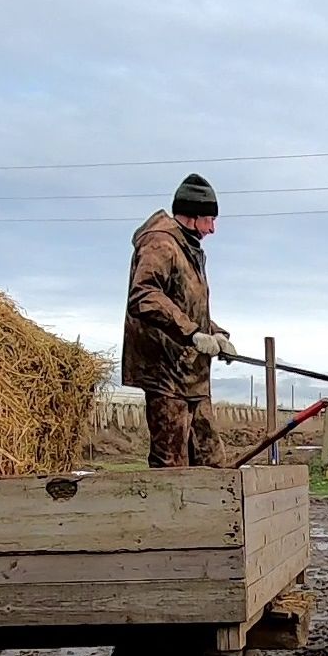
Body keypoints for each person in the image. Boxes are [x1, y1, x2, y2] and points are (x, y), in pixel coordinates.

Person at [122, 173, 238, 468]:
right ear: (193, 216)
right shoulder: (161, 244)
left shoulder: (189, 249)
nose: (212, 229)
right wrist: (192, 334)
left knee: (211, 461)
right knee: (171, 467)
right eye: (209, 220)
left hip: (192, 376)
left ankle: (213, 515)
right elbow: (144, 295)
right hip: (166, 376)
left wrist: (216, 334)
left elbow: (187, 306)